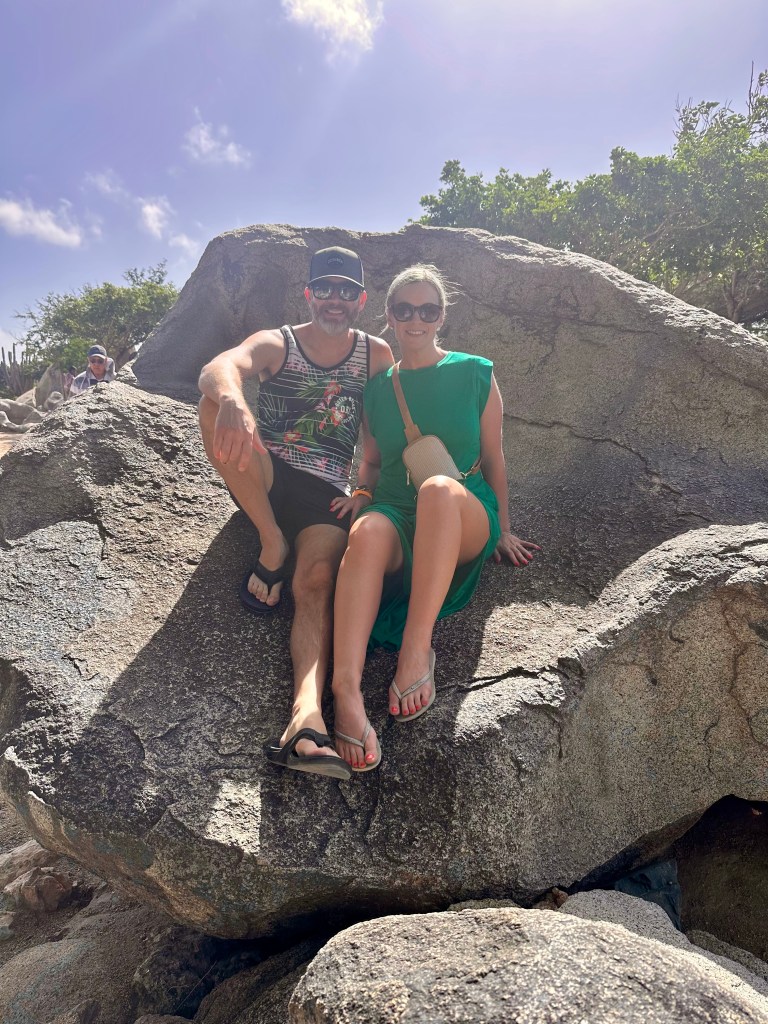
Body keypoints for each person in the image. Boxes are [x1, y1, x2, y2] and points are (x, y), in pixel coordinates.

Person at [328, 265, 539, 772]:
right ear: (390, 317)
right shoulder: (378, 388)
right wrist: (360, 491)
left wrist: (504, 528)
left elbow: (494, 458)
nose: (416, 319)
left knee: (439, 489)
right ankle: (345, 690)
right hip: (398, 512)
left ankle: (415, 652)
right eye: (405, 310)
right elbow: (374, 461)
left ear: (441, 316)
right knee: (368, 530)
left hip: (460, 509)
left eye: (427, 310)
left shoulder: (475, 372)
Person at [198, 246, 393, 781]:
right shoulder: (277, 341)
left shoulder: (375, 355)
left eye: (346, 290)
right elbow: (221, 366)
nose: (335, 299)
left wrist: (365, 491)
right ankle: (270, 542)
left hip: (326, 494)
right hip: (265, 474)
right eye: (325, 288)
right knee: (213, 402)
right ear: (308, 294)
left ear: (361, 299)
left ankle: (306, 717)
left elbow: (381, 437)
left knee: (317, 580)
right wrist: (236, 401)